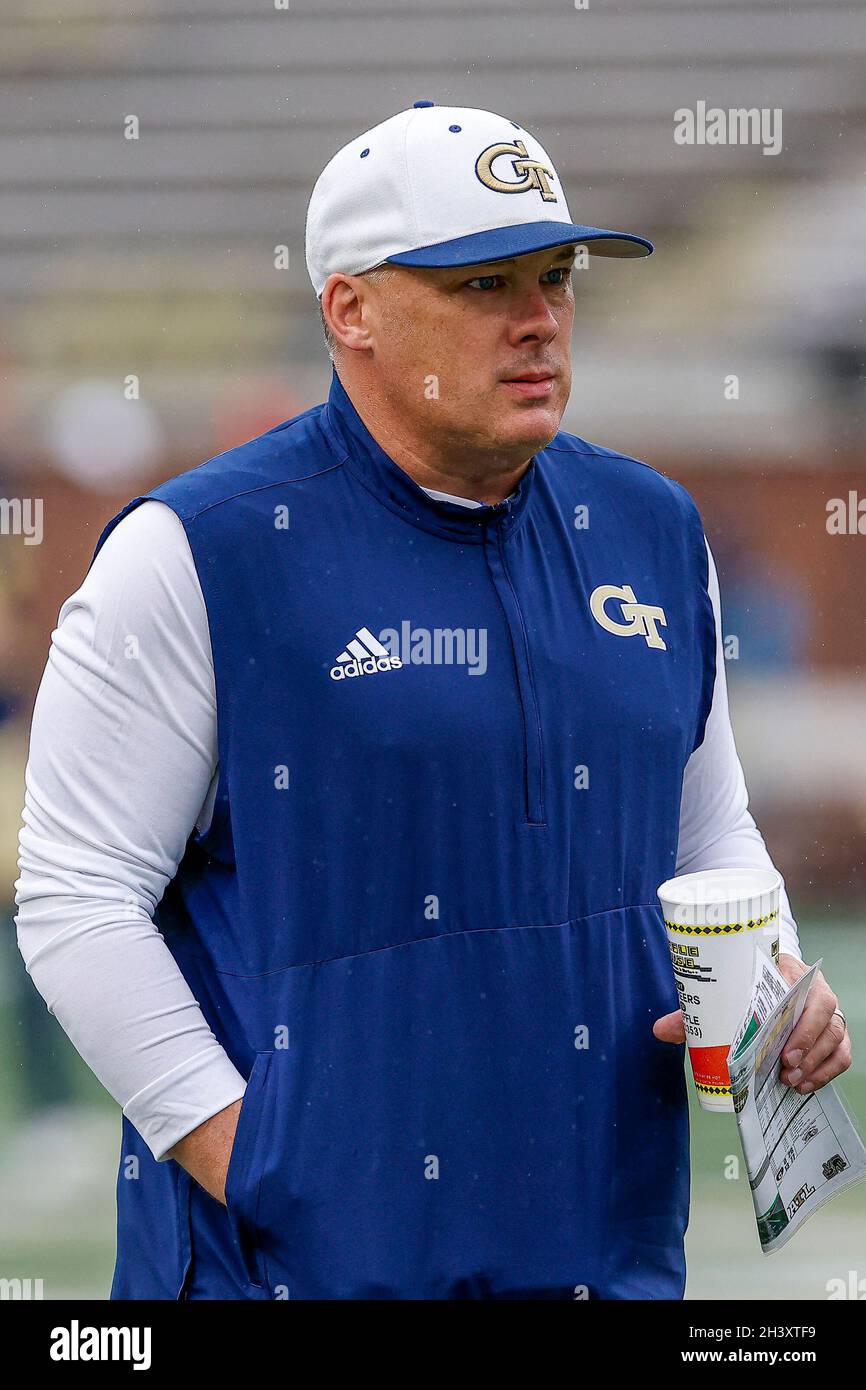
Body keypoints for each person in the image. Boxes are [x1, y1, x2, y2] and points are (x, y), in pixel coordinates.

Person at [14, 101, 850, 1300]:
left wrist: (774, 999)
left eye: (554, 277)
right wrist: (260, 1164)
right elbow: (78, 898)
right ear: (347, 308)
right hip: (292, 1278)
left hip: (600, 1256)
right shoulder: (196, 551)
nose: (537, 321)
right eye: (481, 284)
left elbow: (706, 832)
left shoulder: (650, 528)